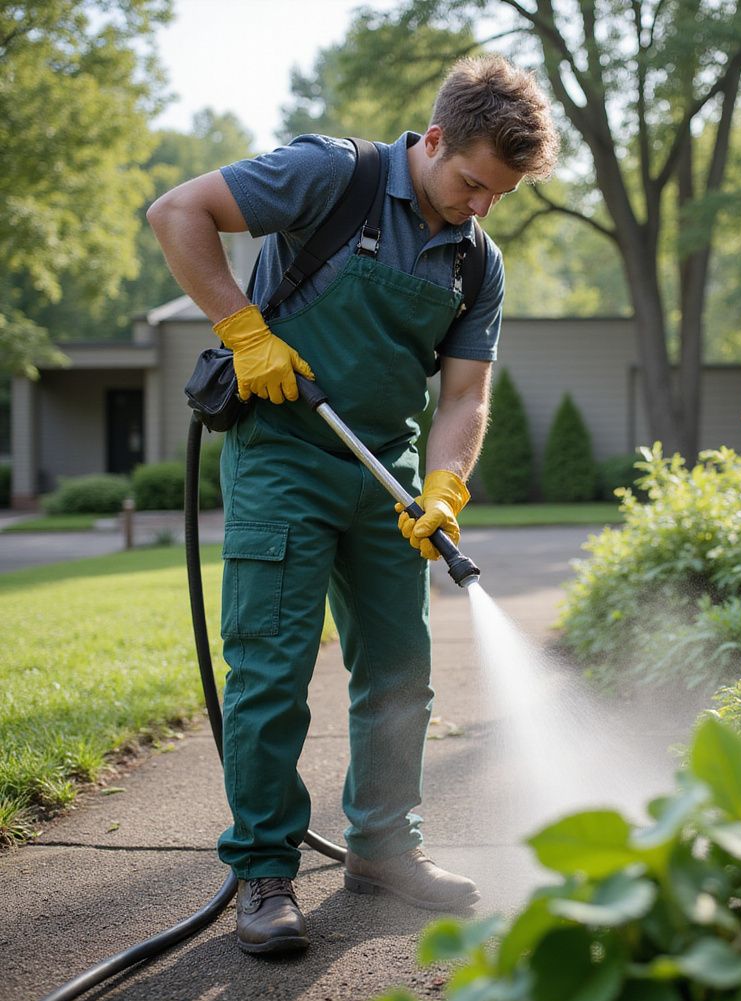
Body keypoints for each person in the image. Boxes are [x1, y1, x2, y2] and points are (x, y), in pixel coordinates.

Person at [147, 55, 558, 955]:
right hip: (283, 459)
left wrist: (444, 487)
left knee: (401, 669)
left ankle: (383, 848)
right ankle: (263, 869)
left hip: (388, 476)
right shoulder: (333, 175)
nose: (481, 204)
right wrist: (240, 328)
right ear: (436, 139)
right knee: (271, 671)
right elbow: (178, 212)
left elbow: (463, 399)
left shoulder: (476, 260)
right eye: (472, 182)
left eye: (500, 194)